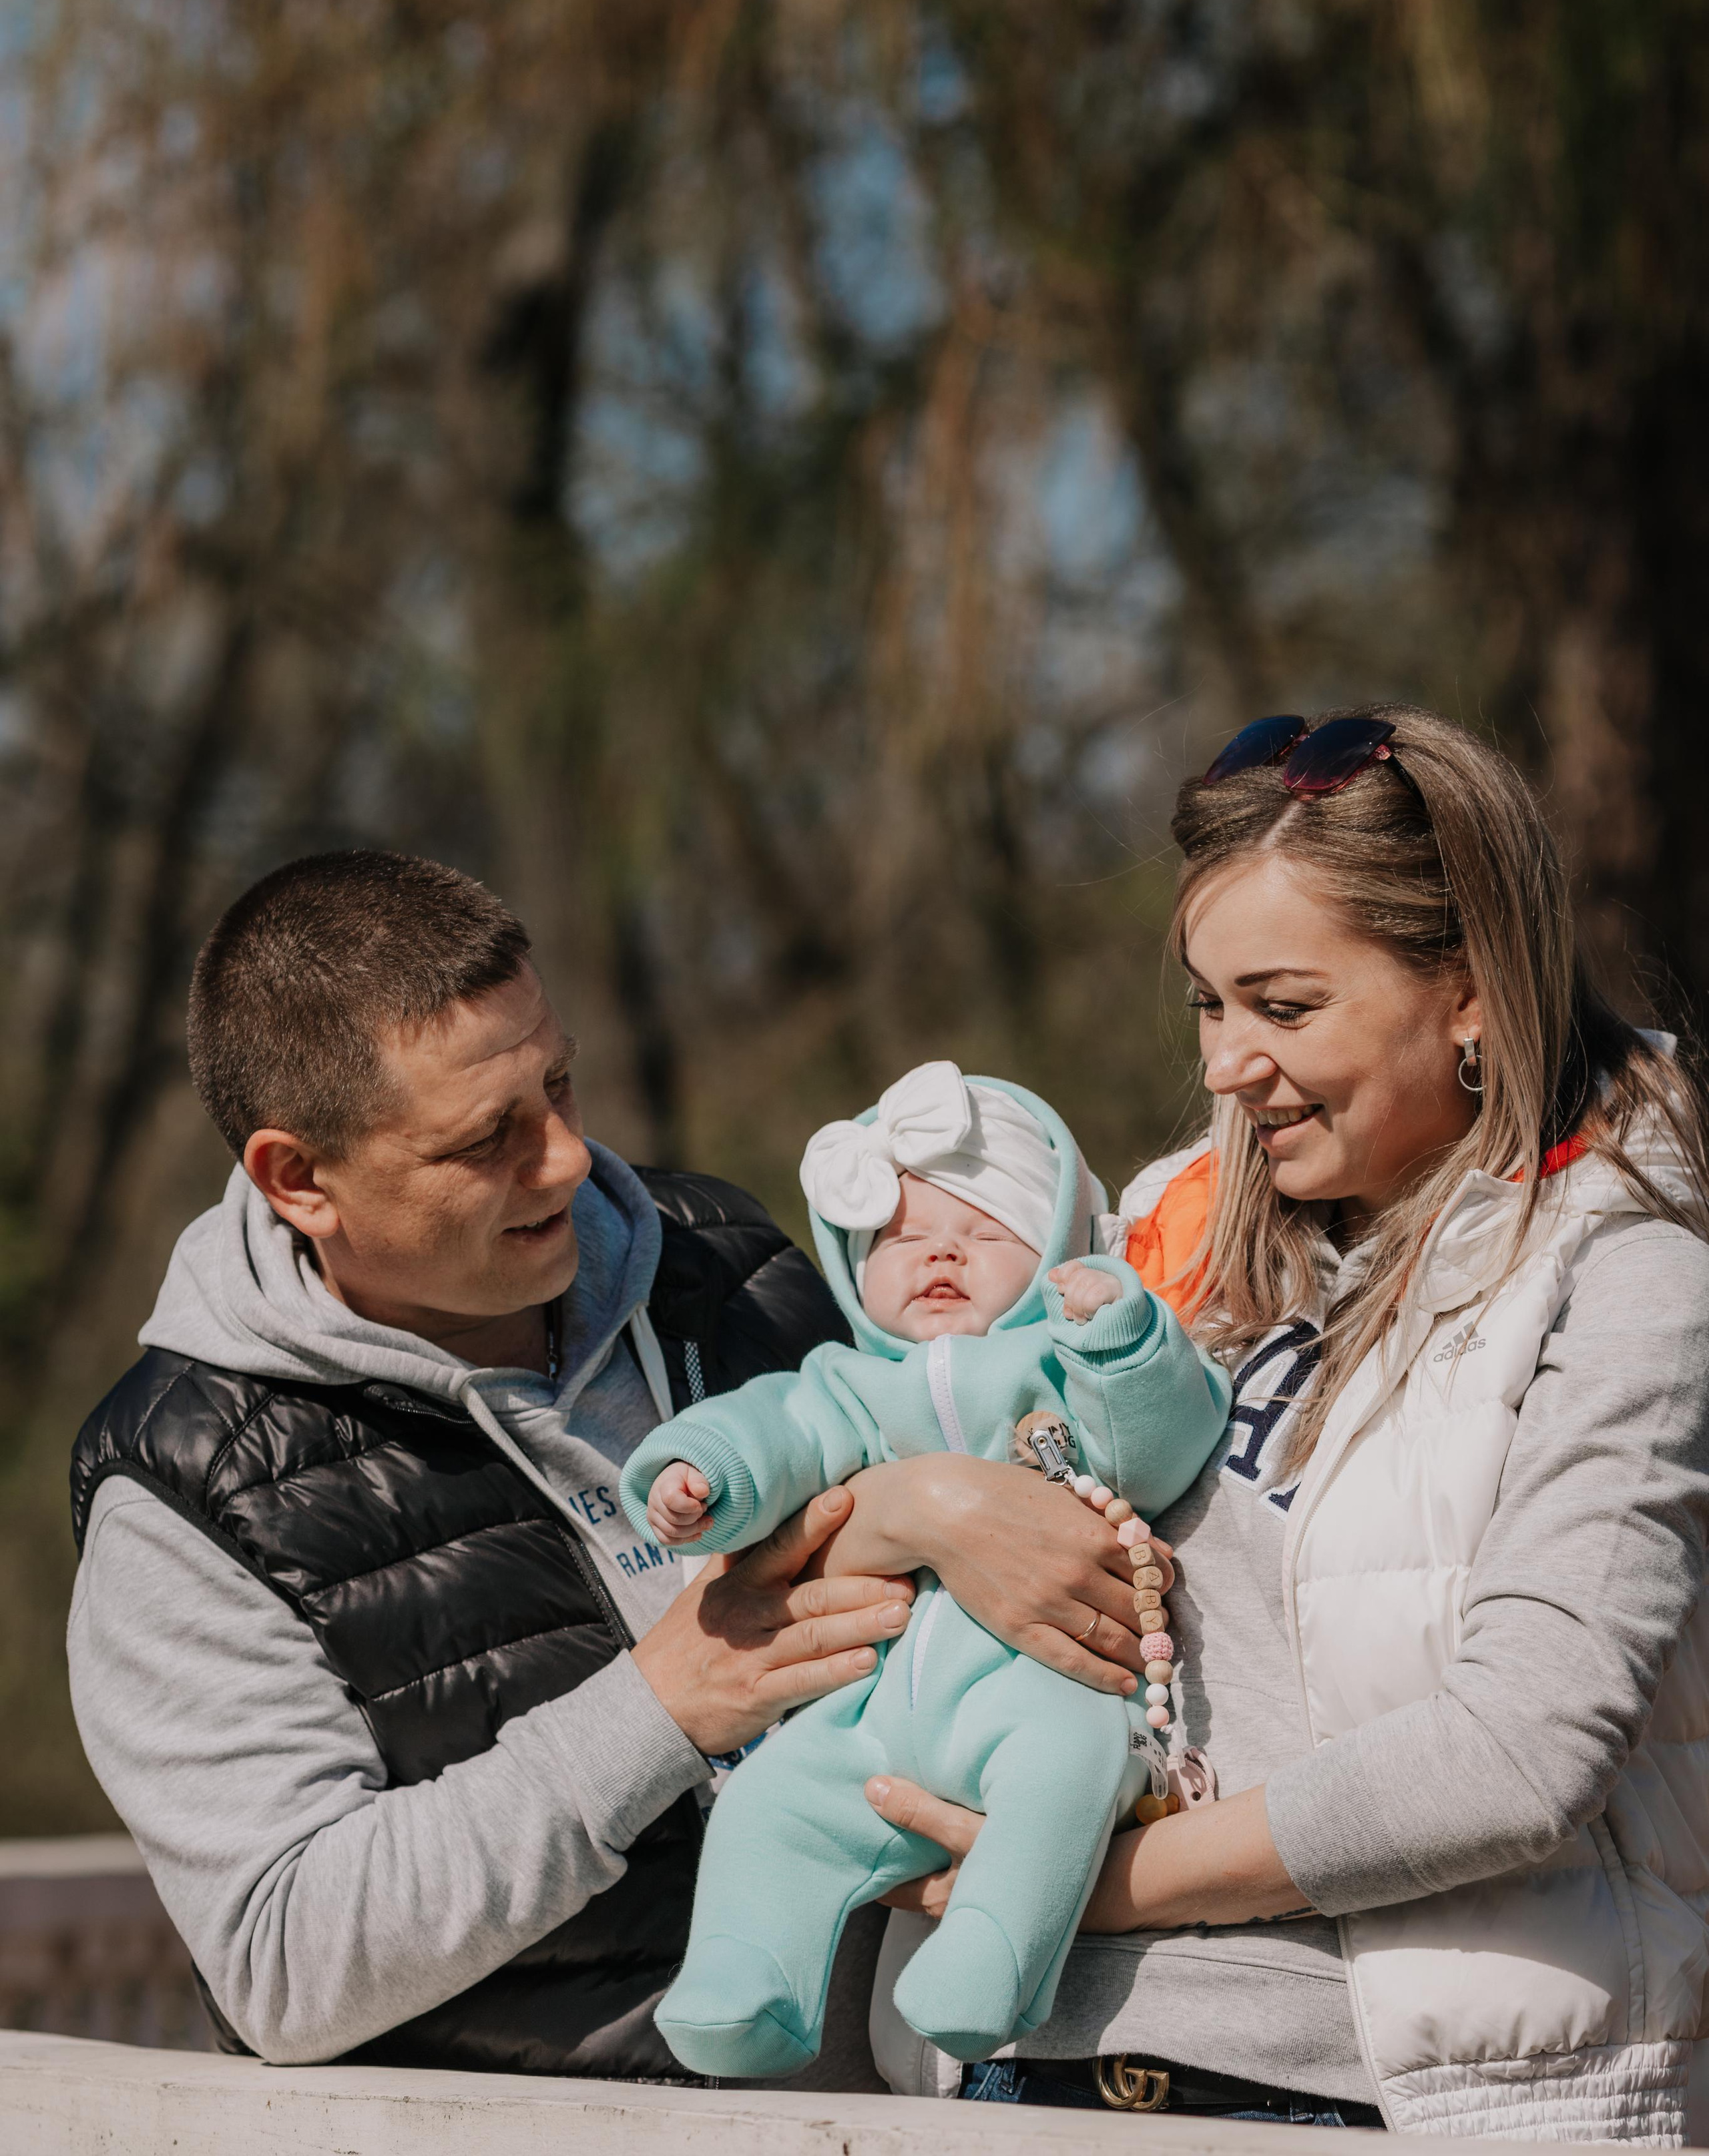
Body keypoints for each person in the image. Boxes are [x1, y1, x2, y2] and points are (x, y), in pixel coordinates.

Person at [65, 849, 1167, 2078]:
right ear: (299, 1178)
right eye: (488, 1138)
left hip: (944, 2091)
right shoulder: (183, 1493)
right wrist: (658, 1710)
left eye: (561, 1084)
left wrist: (932, 1502)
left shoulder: (736, 1263)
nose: (569, 1158)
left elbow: (975, 1438)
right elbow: (283, 1967)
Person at [854, 709, 1709, 2140]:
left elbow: (1515, 1754)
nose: (1226, 1066)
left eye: (1283, 1007)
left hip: (1334, 2098)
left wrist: (1066, 1873)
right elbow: (905, 1451)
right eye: (1206, 1004)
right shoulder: (1157, 1239)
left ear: (1469, 993)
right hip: (1003, 2070)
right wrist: (907, 1513)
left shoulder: (1624, 1279)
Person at [620, 1061, 1229, 2075]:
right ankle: (743, 1982)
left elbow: (1161, 1446)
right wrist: (704, 1475)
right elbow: (775, 1435)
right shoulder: (845, 1382)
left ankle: (990, 1967)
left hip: (1045, 1687)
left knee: (1066, 1773)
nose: (941, 1250)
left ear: (1057, 1254)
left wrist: (1120, 1341)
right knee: (773, 1807)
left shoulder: (1058, 1366)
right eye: (900, 1238)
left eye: (988, 1232)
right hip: (869, 1708)